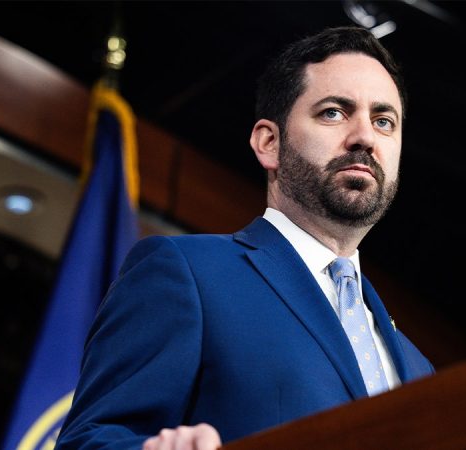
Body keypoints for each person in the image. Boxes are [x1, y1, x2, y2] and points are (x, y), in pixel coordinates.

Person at [54, 25, 435, 450]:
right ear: (269, 143)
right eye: (333, 112)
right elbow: (88, 441)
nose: (365, 136)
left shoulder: (420, 369)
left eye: (384, 121)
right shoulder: (187, 273)